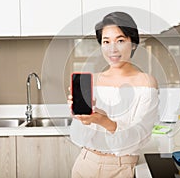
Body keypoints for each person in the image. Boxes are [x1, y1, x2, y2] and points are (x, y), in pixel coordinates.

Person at [68, 11, 159, 178]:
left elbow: (139, 137)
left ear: (133, 44)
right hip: (85, 164)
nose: (112, 49)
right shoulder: (92, 81)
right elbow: (78, 137)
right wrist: (81, 118)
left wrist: (105, 122)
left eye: (120, 40)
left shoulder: (146, 83)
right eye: (106, 41)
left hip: (121, 168)